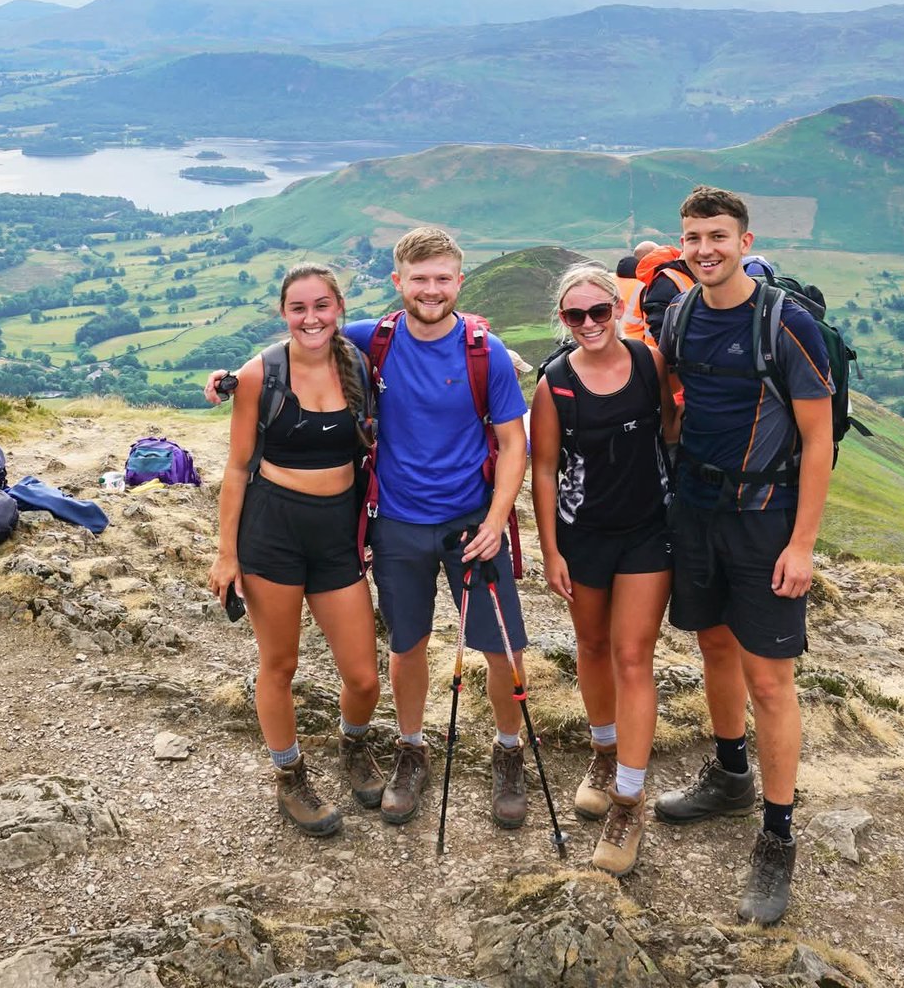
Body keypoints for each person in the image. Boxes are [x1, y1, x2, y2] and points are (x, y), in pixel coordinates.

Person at [208, 227, 530, 832]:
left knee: (498, 650)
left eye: (442, 279)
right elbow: (295, 350)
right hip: (390, 525)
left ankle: (508, 754)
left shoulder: (480, 350)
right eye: (419, 279)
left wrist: (494, 521)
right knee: (403, 648)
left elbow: (515, 444)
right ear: (397, 284)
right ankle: (406, 751)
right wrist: (229, 379)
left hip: (466, 524)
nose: (430, 290)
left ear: (460, 281)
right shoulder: (368, 342)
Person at [654, 186, 834, 926]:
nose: (704, 249)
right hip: (696, 512)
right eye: (693, 237)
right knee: (714, 647)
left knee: (770, 679)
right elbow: (670, 399)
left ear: (744, 238)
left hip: (766, 519)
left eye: (718, 236)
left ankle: (778, 835)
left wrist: (802, 543)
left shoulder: (785, 323)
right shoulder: (680, 315)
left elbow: (819, 439)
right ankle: (730, 775)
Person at [207, 264, 384, 838]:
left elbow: (419, 321)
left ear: (340, 309)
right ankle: (290, 776)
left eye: (322, 306)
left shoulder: (357, 358)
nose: (311, 318)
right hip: (273, 530)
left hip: (336, 533)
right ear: (283, 314)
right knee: (279, 665)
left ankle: (352, 745)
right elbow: (236, 467)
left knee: (363, 677)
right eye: (298, 308)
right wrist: (226, 554)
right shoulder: (261, 374)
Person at [530, 262, 676, 876]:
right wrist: (550, 550)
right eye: (575, 315)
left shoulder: (648, 361)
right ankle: (603, 750)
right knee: (591, 645)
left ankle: (627, 799)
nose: (589, 323)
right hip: (582, 534)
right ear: (562, 320)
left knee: (633, 656)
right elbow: (541, 468)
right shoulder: (554, 383)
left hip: (647, 532)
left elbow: (670, 425)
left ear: (617, 308)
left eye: (600, 311)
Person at [617, 240, 659, 343]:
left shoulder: (611, 281)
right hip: (636, 346)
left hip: (615, 341)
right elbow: (650, 327)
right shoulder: (644, 287)